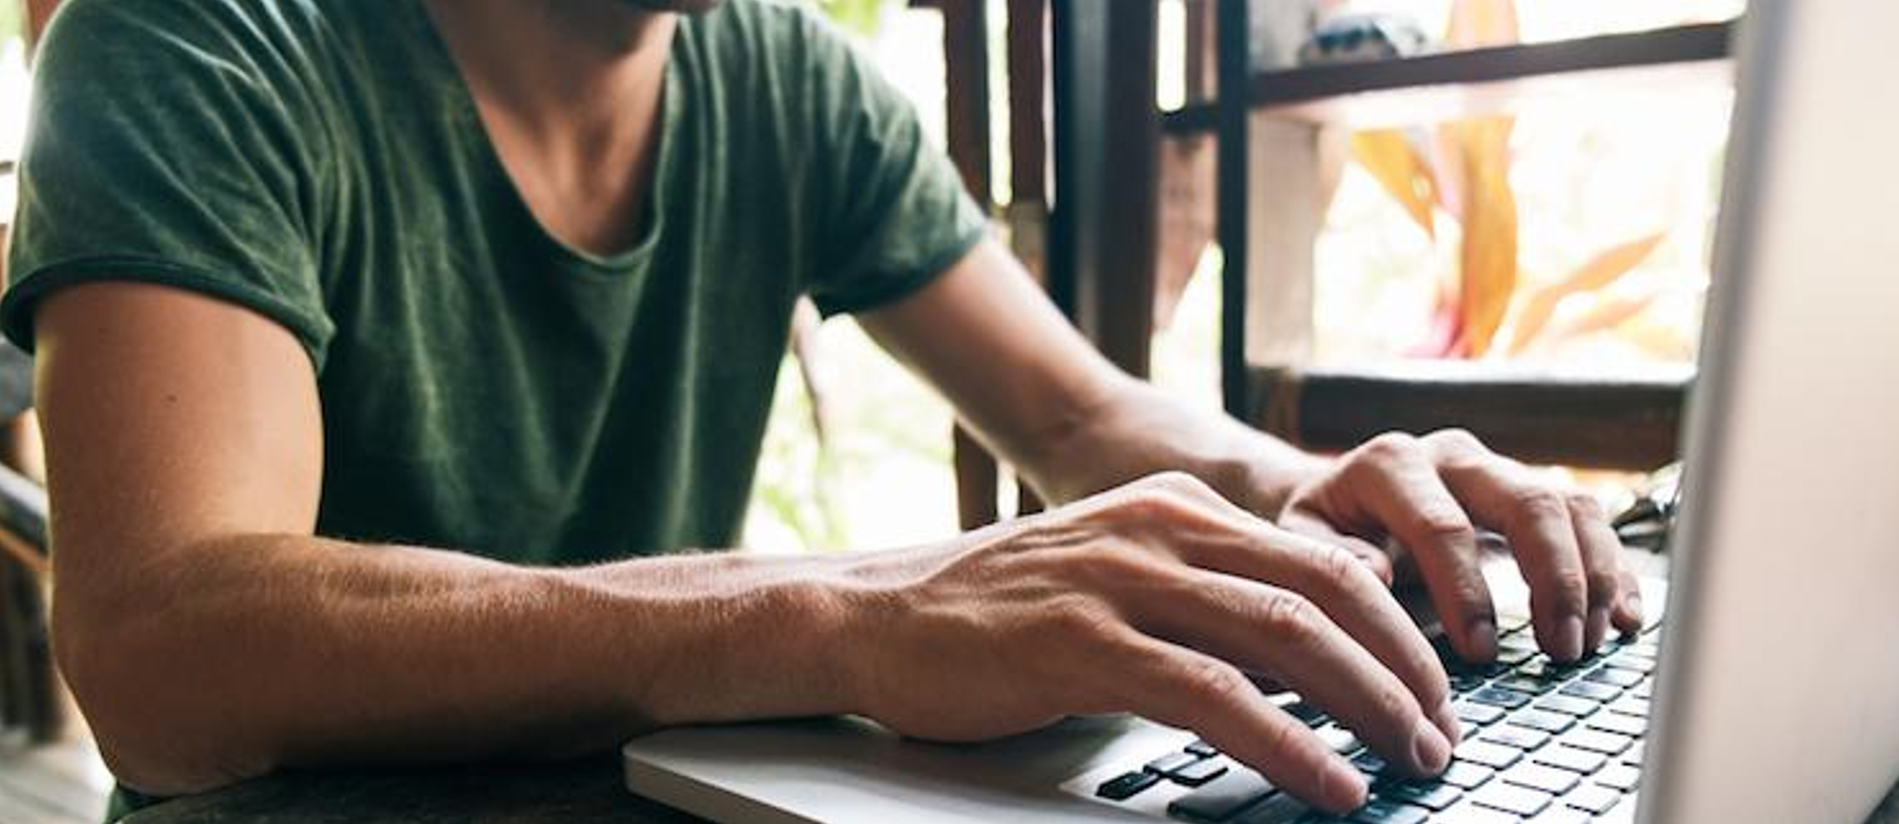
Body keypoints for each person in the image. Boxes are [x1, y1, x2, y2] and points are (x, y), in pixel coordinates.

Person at [0, 0, 1643, 817]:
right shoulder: (191, 48)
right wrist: (844, 606)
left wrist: (1326, 497)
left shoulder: (793, 80)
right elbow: (163, 651)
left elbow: (1078, 419)